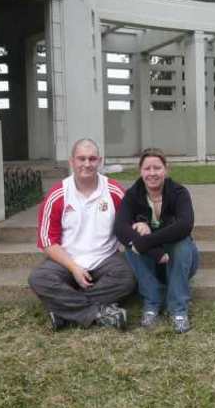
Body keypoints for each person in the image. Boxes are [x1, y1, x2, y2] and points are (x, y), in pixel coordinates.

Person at [28, 138, 136, 331]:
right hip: (66, 261)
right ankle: (98, 313)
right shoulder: (57, 193)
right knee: (39, 278)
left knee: (128, 277)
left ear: (100, 161)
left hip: (105, 259)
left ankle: (63, 312)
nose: (87, 164)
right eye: (81, 159)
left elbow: (130, 225)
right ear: (72, 161)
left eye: (92, 159)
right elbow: (47, 242)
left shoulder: (114, 191)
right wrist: (73, 267)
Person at [114, 148, 199, 333]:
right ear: (140, 171)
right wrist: (151, 248)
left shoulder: (178, 192)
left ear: (166, 170)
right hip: (153, 260)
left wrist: (148, 238)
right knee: (131, 243)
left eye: (157, 168)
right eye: (147, 168)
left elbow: (185, 225)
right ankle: (152, 303)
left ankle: (178, 309)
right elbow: (120, 228)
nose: (152, 173)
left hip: (180, 260)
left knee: (181, 243)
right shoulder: (132, 194)